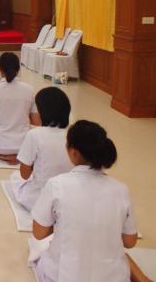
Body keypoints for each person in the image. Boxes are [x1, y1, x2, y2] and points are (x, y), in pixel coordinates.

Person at [31, 120, 150, 282]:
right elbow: (129, 242)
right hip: (113, 277)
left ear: (74, 152)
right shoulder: (121, 189)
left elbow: (38, 233)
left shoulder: (56, 184)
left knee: (40, 250)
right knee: (119, 256)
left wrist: (63, 224)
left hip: (64, 276)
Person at [12, 87, 73, 211]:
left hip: (40, 201)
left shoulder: (34, 134)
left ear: (41, 112)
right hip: (68, 201)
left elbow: (24, 174)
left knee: (15, 177)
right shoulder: (73, 134)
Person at [0, 52, 41, 163]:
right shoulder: (29, 89)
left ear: (0, 69)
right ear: (18, 69)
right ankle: (18, 156)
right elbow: (36, 121)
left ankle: (3, 155)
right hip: (23, 145)